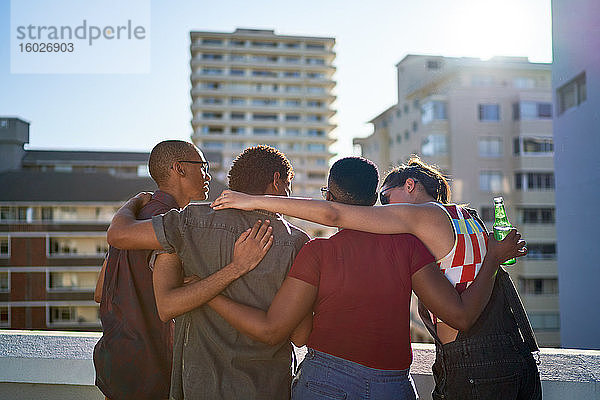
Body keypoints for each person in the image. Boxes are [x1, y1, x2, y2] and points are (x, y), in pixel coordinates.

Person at [212, 155, 542, 400]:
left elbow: (333, 215)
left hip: (338, 377)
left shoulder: (324, 251)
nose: (383, 211)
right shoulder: (455, 223)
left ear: (409, 186)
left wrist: (207, 291)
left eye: (387, 200)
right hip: (425, 376)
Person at [106, 145, 311, 400]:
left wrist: (135, 201)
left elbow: (119, 236)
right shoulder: (299, 243)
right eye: (288, 186)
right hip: (267, 387)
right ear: (276, 181)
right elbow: (300, 335)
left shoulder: (190, 223)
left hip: (199, 386)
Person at [93, 140, 208, 399]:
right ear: (179, 168)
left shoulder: (133, 223)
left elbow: (101, 292)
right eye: (202, 166)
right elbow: (168, 306)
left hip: (115, 362)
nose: (208, 174)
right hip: (151, 368)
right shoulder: (169, 224)